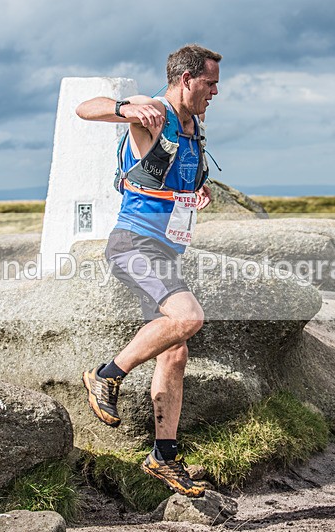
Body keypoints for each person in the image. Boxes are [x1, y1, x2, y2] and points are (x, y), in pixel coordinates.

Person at [76, 44, 221, 497]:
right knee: (188, 317)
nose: (215, 92)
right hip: (133, 244)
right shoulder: (153, 112)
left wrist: (200, 192)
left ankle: (164, 456)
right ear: (185, 79)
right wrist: (126, 106)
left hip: (165, 251)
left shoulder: (194, 127)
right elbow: (86, 108)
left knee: (174, 352)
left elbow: (177, 179)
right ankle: (106, 375)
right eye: (210, 83)